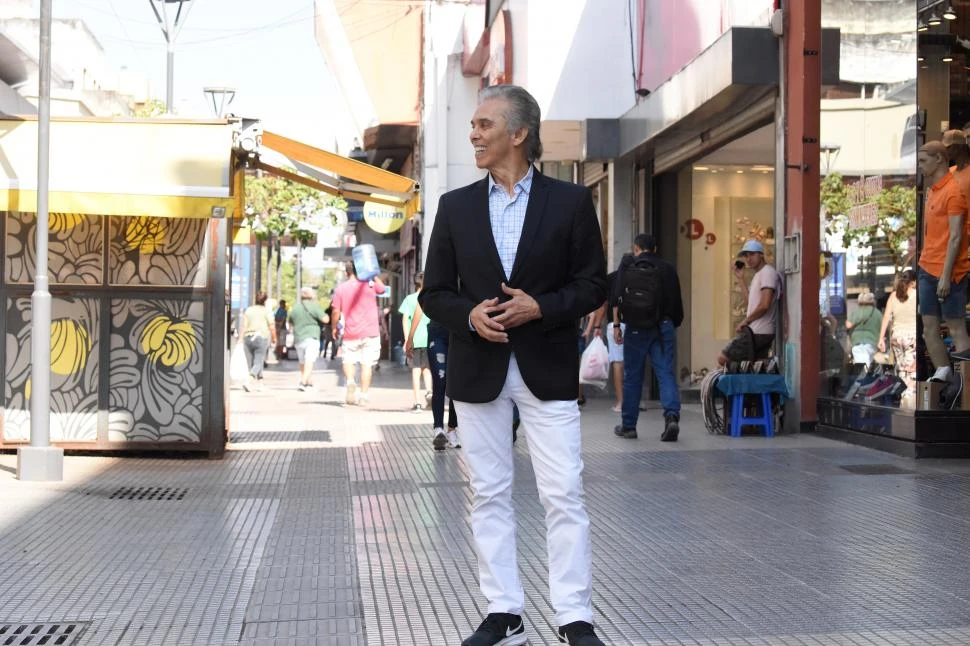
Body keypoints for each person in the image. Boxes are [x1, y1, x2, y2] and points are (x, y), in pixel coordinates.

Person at [420, 84, 608, 646]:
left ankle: (575, 617)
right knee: (489, 493)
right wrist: (468, 314)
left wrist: (541, 307)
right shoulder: (455, 207)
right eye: (473, 125)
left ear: (518, 133)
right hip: (479, 370)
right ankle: (505, 613)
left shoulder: (571, 202)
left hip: (547, 369)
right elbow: (434, 293)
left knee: (564, 493)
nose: (473, 134)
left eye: (484, 125)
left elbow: (594, 285)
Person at [612, 234, 684, 441]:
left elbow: (616, 297)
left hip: (635, 328)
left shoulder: (628, 267)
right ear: (655, 248)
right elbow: (677, 305)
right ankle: (671, 417)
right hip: (663, 327)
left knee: (632, 377)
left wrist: (617, 325)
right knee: (665, 373)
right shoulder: (667, 269)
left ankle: (628, 426)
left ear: (636, 248)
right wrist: (671, 323)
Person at [922, 136, 970, 393]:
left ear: (940, 158)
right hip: (927, 265)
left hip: (950, 269)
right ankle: (947, 381)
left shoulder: (954, 191)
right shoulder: (935, 189)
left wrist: (946, 275)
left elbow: (956, 236)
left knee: (955, 325)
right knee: (928, 327)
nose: (919, 166)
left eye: (922, 160)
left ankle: (964, 385)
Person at [716, 239, 781, 367]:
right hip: (755, 331)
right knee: (752, 366)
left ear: (761, 255)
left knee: (722, 358)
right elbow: (749, 302)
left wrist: (745, 321)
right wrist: (740, 278)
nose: (748, 258)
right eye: (746, 255)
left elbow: (764, 305)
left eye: (752, 254)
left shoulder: (767, 272)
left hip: (759, 332)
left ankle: (766, 364)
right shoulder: (759, 274)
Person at [331, 261, 386, 405]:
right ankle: (363, 396)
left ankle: (350, 382)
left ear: (346, 272)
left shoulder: (341, 289)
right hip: (371, 333)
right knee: (366, 365)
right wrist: (372, 274)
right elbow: (382, 289)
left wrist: (334, 327)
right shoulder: (369, 284)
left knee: (348, 360)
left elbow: (336, 311)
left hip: (351, 332)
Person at [878, 269, 917, 400]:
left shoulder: (894, 295)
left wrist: (881, 338)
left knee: (901, 370)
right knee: (911, 370)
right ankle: (908, 399)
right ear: (913, 282)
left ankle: (902, 396)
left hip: (896, 337)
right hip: (912, 338)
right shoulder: (917, 294)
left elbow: (886, 317)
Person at [425, 315, 461, 450]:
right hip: (437, 331)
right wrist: (410, 337)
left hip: (459, 333)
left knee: (455, 383)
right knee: (440, 380)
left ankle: (452, 429)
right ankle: (438, 429)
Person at [400, 272, 433, 412]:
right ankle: (430, 392)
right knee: (427, 370)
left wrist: (407, 339)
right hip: (430, 338)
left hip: (415, 339)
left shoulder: (410, 299)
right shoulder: (431, 298)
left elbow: (405, 320)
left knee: (415, 371)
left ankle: (417, 402)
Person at [288, 287, 328, 391]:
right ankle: (303, 382)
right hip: (312, 336)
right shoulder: (314, 307)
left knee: (302, 361)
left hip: (298, 337)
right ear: (311, 296)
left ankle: (307, 380)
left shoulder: (295, 308)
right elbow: (325, 319)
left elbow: (290, 321)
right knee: (309, 360)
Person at [241, 291, 276, 392]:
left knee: (253, 362)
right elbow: (272, 326)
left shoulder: (249, 310)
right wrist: (274, 338)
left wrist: (240, 338)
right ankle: (249, 380)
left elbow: (244, 325)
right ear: (265, 301)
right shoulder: (267, 311)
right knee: (259, 361)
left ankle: (260, 384)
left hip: (248, 337)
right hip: (261, 337)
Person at [602, 269, 624, 412]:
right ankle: (633, 401)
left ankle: (620, 402)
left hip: (614, 324)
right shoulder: (637, 274)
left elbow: (604, 303)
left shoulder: (611, 278)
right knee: (634, 365)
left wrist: (597, 325)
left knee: (617, 363)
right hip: (636, 323)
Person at [845, 292, 882, 365]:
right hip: (872, 344)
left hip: (858, 344)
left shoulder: (857, 312)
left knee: (862, 368)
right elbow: (883, 328)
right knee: (868, 364)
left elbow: (848, 325)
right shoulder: (878, 313)